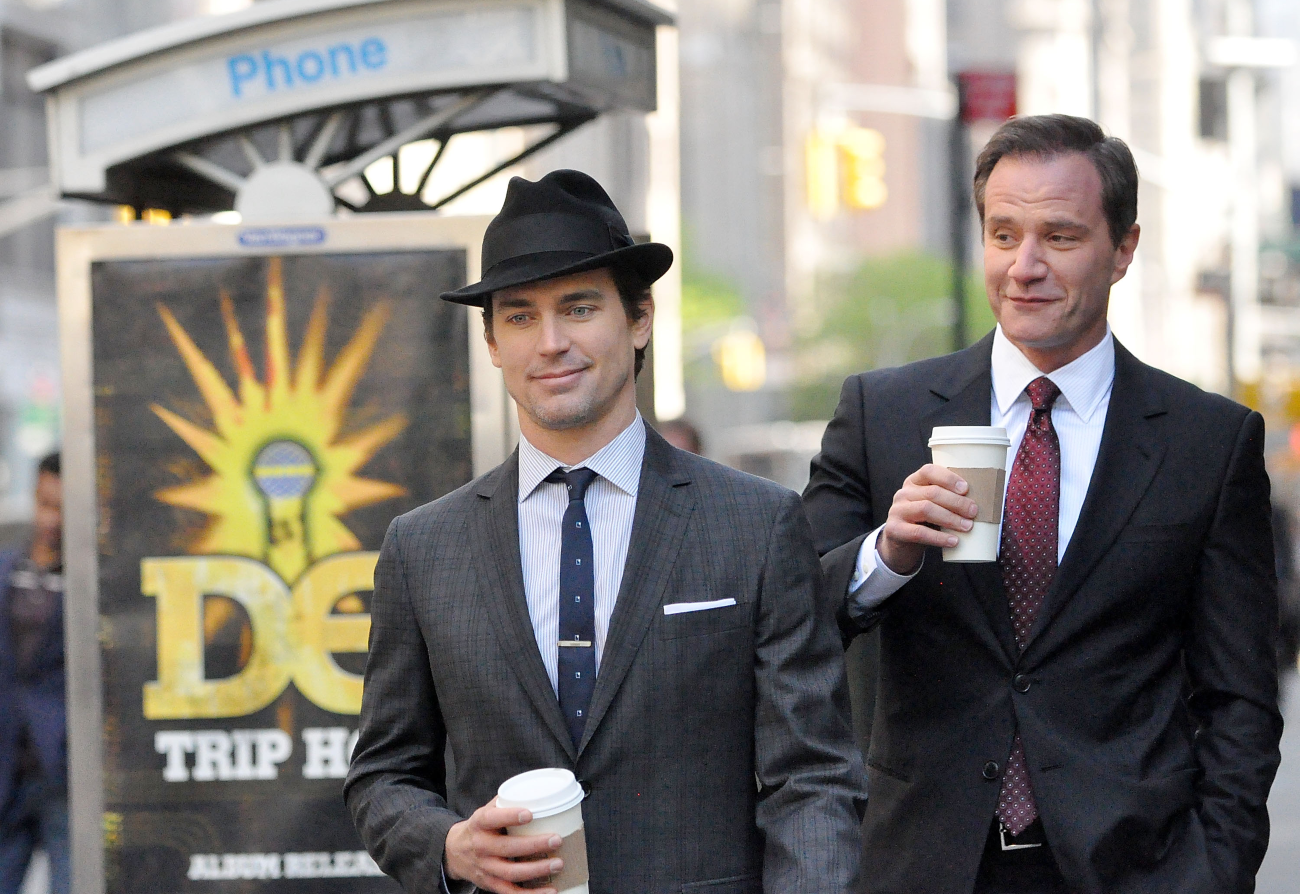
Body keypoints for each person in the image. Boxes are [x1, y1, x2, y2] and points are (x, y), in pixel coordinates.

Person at [346, 169, 865, 894]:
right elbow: (383, 776)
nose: (551, 342)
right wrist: (450, 847)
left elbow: (812, 777)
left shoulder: (755, 523)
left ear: (640, 317)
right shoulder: (422, 548)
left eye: (579, 307)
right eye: (520, 316)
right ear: (492, 342)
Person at [803, 115, 1282, 894]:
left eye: (1059, 237)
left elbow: (1241, 699)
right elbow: (791, 619)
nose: (1024, 267)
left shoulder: (1208, 441)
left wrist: (1212, 871)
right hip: (924, 863)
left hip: (1134, 866)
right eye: (1002, 235)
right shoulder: (881, 414)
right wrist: (884, 556)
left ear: (1123, 249)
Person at [0, 452, 68, 894]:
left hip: (63, 768)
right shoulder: (7, 569)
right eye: (45, 504)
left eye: (61, 508)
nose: (51, 520)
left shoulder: (93, 579)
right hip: (7, 765)